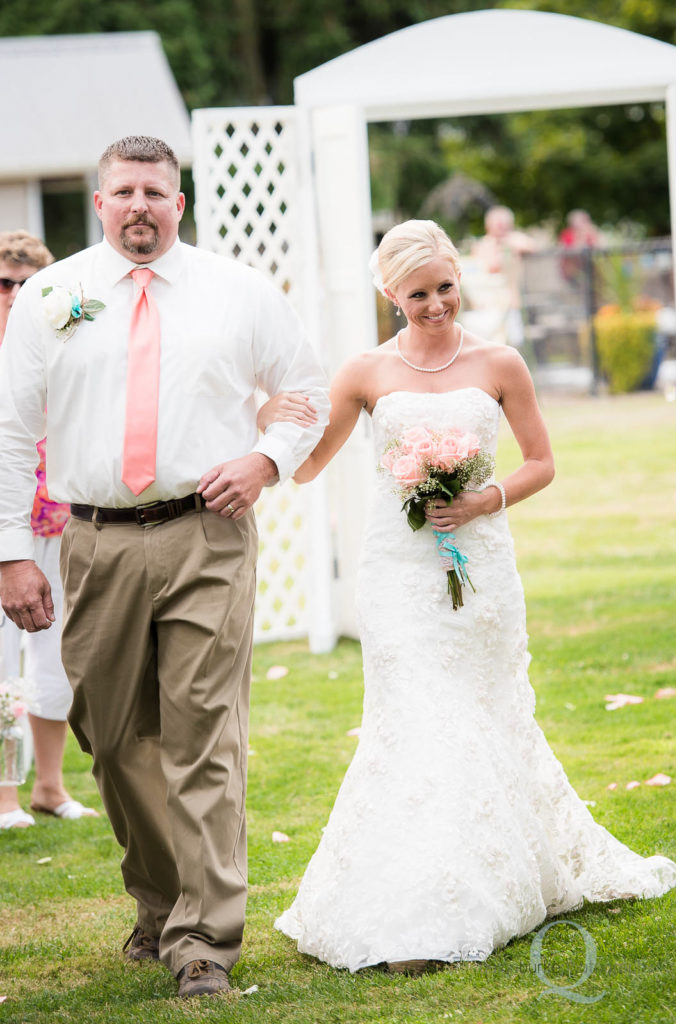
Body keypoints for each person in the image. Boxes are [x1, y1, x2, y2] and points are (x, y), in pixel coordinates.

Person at [259, 219, 676, 974]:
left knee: (481, 714)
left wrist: (485, 500)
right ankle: (415, 902)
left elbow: (542, 462)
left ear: (460, 281)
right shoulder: (362, 372)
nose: (436, 304)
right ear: (391, 295)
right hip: (397, 574)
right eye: (418, 293)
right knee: (414, 716)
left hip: (480, 569)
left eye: (445, 287)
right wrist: (271, 423)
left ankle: (491, 879)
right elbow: (307, 465)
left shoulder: (500, 361)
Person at [0, 137, 329, 998]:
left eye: (156, 191)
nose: (139, 206)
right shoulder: (50, 295)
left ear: (179, 203)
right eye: (123, 192)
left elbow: (308, 389)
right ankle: (160, 900)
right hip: (95, 538)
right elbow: (9, 432)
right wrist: (9, 556)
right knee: (109, 739)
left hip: (206, 534)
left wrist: (266, 459)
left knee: (201, 734)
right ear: (99, 203)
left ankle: (203, 943)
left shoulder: (239, 292)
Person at [0, 230, 98, 829]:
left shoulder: (58, 346)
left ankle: (50, 786)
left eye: (24, 284)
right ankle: (4, 792)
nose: (12, 294)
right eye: (2, 282)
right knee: (0, 663)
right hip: (2, 526)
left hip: (58, 519)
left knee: (55, 653)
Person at [462, 205, 535, 346]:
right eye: (497, 224)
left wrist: (507, 244)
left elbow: (529, 245)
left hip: (512, 301)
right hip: (489, 305)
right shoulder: (482, 245)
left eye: (503, 224)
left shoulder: (514, 240)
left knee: (515, 342)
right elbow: (485, 268)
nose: (500, 227)